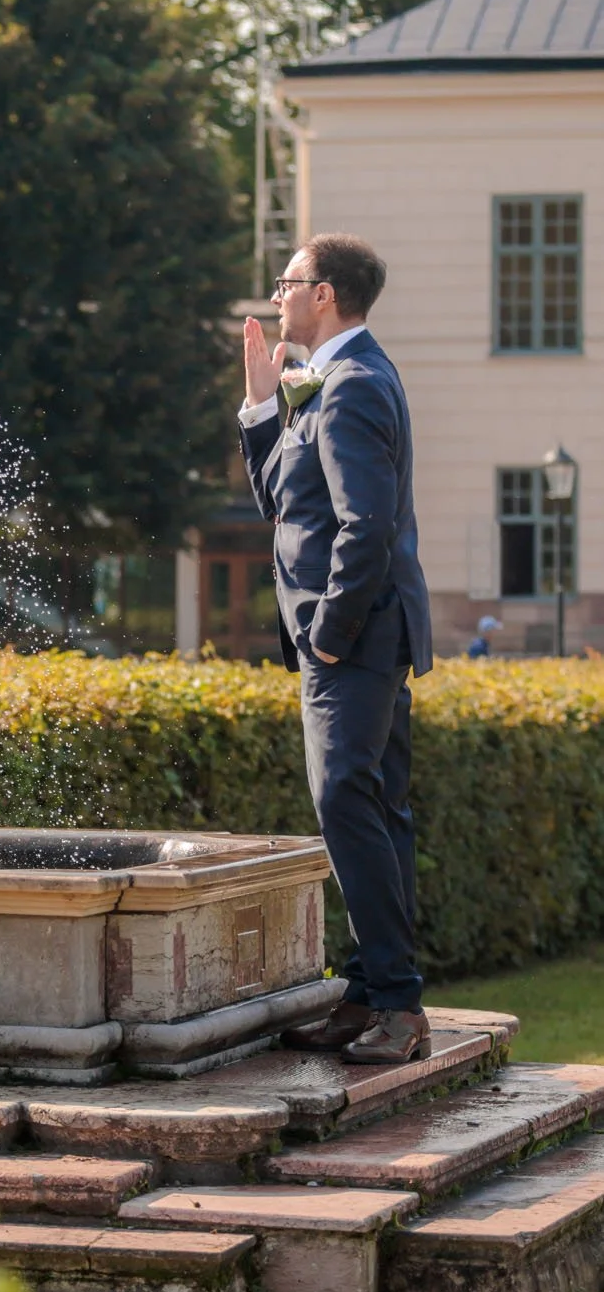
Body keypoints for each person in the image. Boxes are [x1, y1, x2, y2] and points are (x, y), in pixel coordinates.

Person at [240, 234, 434, 1064]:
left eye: (287, 282)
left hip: (350, 642)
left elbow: (365, 524)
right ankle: (368, 994)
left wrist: (325, 637)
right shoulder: (331, 381)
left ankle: (396, 1005)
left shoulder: (352, 383)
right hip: (357, 641)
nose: (277, 295)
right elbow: (284, 505)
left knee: (348, 809)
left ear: (323, 295)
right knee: (373, 812)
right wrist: (259, 408)